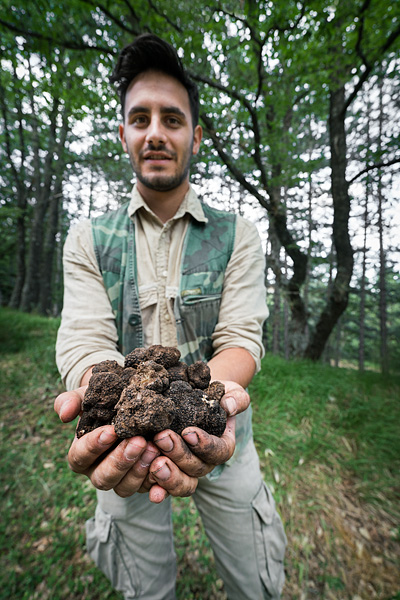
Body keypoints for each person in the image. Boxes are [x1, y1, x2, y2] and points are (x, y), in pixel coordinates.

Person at [54, 33, 286, 600]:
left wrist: (219, 401)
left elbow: (238, 338)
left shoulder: (238, 237)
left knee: (258, 583)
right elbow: (85, 342)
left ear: (195, 135)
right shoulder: (89, 237)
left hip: (217, 427)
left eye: (172, 119)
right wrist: (100, 397)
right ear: (124, 135)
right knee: (145, 589)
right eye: (141, 118)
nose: (155, 131)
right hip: (122, 444)